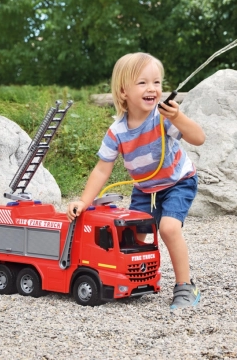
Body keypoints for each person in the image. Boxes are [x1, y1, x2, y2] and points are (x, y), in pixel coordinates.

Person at [67, 52, 206, 309]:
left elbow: (199, 138)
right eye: (142, 82)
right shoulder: (117, 132)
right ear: (123, 92)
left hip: (178, 182)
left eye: (157, 82)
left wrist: (178, 118)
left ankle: (186, 287)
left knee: (168, 229)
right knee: (138, 237)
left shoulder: (163, 117)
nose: (152, 88)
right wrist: (84, 201)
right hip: (145, 189)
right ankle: (141, 280)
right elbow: (102, 170)